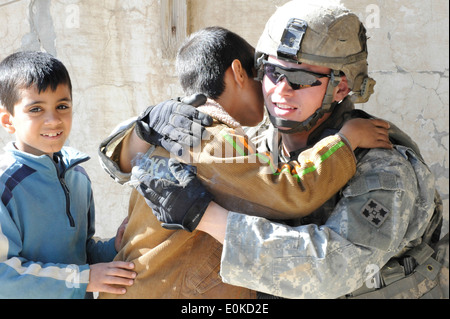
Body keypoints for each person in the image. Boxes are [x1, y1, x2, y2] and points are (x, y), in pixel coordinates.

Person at [139, 1, 447, 299]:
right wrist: (147, 127)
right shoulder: (256, 144)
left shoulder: (382, 165)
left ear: (340, 88)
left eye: (300, 79)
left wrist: (203, 217)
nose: (280, 90)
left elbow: (330, 270)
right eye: (273, 72)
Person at [97, 26, 391, 299]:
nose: (271, 91)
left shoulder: (174, 131)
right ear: (239, 72)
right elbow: (290, 192)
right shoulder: (210, 137)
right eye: (264, 75)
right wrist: (345, 142)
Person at [0, 51, 136, 299]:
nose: (53, 120)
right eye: (36, 109)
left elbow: (81, 254)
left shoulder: (77, 176)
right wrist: (83, 280)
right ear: (8, 120)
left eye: (62, 106)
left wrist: (114, 248)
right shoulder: (4, 185)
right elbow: (3, 278)